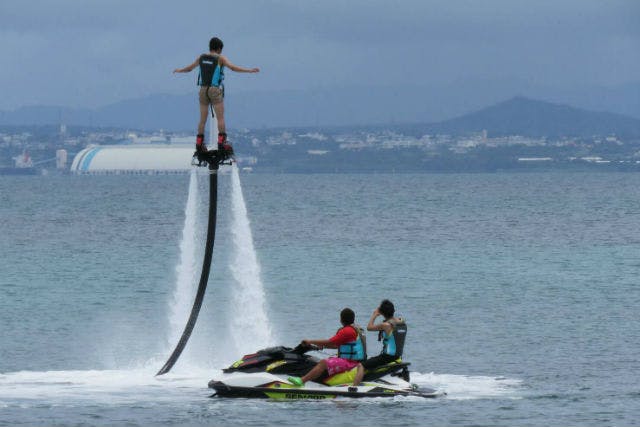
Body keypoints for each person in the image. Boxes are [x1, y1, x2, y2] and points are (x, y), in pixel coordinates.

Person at [173, 36, 259, 157]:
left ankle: (199, 144)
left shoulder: (201, 58)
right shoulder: (220, 58)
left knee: (202, 119)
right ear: (219, 49)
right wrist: (249, 71)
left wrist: (179, 70)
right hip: (214, 90)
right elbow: (233, 68)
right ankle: (222, 143)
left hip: (203, 89)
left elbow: (189, 68)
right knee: (220, 118)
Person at [288, 308, 366, 387]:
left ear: (341, 319)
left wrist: (310, 341)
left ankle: (302, 381)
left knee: (323, 363)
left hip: (350, 363)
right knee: (328, 360)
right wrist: (323, 346)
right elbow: (335, 345)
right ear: (353, 319)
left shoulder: (347, 331)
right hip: (354, 361)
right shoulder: (356, 329)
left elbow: (331, 342)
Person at [353, 299, 407, 385]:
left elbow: (369, 327)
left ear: (382, 313)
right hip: (398, 356)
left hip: (386, 357)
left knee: (361, 365)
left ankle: (354, 388)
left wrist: (375, 314)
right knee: (372, 361)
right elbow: (398, 320)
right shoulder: (402, 322)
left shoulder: (386, 325)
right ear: (393, 311)